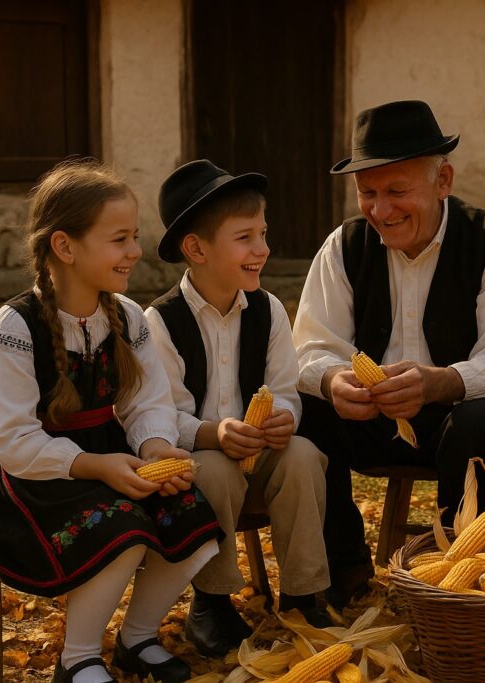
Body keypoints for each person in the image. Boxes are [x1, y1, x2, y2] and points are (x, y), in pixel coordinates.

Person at [0, 161, 222, 683]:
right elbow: (13, 440)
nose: (136, 251)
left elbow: (146, 401)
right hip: (30, 475)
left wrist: (154, 447)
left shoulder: (126, 316)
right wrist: (95, 466)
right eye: (120, 239)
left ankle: (136, 638)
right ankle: (76, 660)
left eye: (135, 236)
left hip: (109, 452)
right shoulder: (14, 327)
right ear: (65, 246)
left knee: (192, 515)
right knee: (122, 525)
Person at [293, 99, 485, 607]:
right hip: (368, 421)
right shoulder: (344, 245)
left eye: (397, 191)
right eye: (368, 193)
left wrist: (440, 382)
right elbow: (308, 348)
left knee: (481, 420)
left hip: (453, 421)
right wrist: (334, 381)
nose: (381, 210)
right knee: (305, 412)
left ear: (443, 180)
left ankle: (451, 579)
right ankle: (341, 570)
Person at [146, 159, 332, 653]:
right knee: (214, 472)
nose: (262, 249)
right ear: (197, 249)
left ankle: (303, 592)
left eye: (263, 234)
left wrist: (283, 417)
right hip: (199, 457)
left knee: (304, 457)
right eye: (245, 237)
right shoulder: (160, 323)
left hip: (261, 452)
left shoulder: (268, 310)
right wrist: (214, 434)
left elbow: (285, 388)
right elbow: (161, 415)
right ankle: (212, 600)